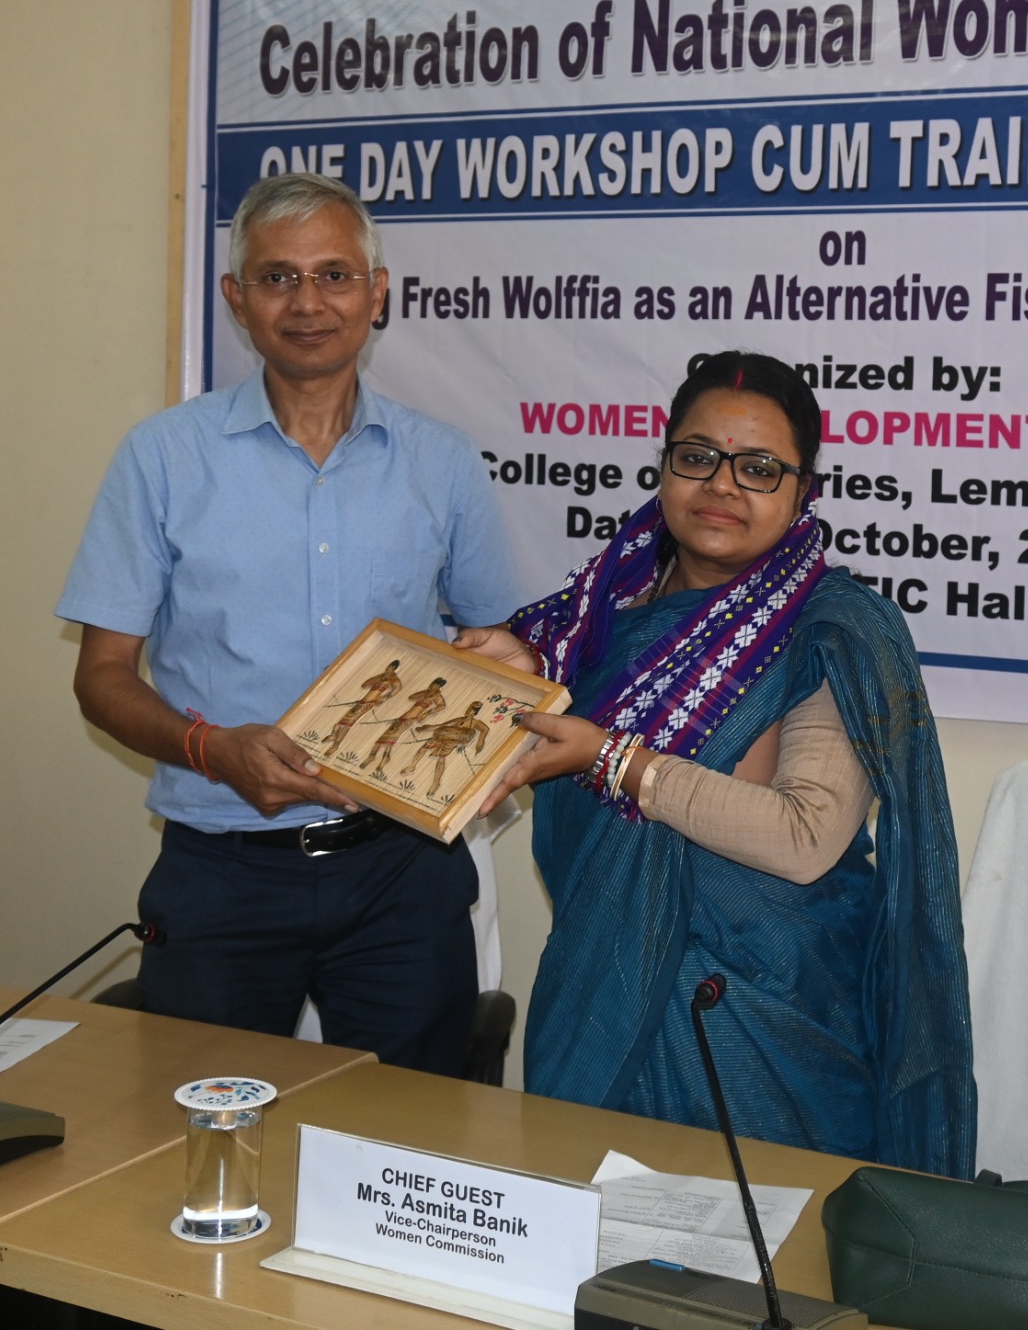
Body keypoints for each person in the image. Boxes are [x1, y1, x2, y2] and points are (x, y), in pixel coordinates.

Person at [458, 351, 974, 1175]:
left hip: (765, 1031)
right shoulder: (597, 614)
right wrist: (509, 669)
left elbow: (807, 837)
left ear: (804, 491)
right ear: (663, 468)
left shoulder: (834, 629)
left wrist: (616, 760)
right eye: (697, 457)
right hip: (601, 996)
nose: (722, 486)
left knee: (768, 1276)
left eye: (760, 469)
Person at [60, 174, 520, 1069]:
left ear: (377, 293)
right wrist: (212, 749)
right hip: (222, 868)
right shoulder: (163, 457)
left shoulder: (442, 462)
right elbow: (101, 677)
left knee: (404, 1153)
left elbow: (499, 647)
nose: (308, 303)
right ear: (237, 300)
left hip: (402, 870)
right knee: (199, 1142)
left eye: (335, 275)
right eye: (278, 278)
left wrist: (504, 671)